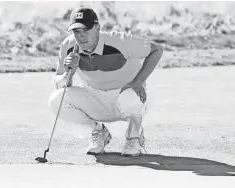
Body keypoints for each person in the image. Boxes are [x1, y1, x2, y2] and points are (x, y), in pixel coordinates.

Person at [49, 7, 163, 156]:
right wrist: (69, 72)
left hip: (127, 97)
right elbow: (60, 85)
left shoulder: (120, 41)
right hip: (96, 99)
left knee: (130, 96)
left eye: (85, 30)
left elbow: (157, 50)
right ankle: (98, 132)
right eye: (76, 31)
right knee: (56, 99)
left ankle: (134, 138)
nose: (81, 36)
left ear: (97, 27)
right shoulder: (68, 46)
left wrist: (138, 81)